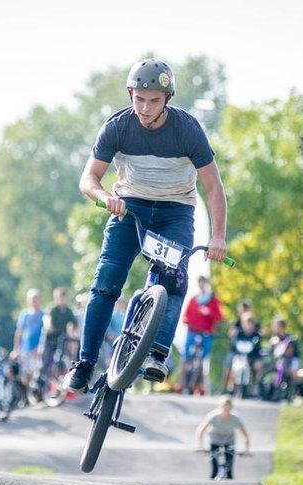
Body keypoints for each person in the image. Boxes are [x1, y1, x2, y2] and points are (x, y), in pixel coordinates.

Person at [64, 57, 228, 393]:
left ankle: (157, 354)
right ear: (130, 93)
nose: (145, 107)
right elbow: (88, 178)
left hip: (174, 212)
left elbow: (213, 187)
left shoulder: (187, 130)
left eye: (154, 101)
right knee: (106, 283)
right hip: (129, 209)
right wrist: (104, 196)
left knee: (173, 279)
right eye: (139, 98)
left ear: (167, 99)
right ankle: (84, 362)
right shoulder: (118, 127)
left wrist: (218, 236)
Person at [179, 275, 224, 394]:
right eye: (199, 283)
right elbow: (186, 315)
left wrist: (209, 313)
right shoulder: (194, 300)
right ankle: (182, 384)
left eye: (203, 283)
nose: (201, 286)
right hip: (193, 332)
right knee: (186, 357)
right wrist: (187, 322)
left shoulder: (213, 300)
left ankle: (200, 386)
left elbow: (219, 317)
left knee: (203, 360)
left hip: (207, 334)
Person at [195, 396, 251, 479]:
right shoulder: (213, 416)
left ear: (231, 408)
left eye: (228, 409)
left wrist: (246, 449)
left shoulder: (236, 418)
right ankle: (213, 479)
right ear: (220, 408)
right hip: (215, 439)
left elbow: (245, 435)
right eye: (224, 408)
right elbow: (200, 431)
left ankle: (229, 481)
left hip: (229, 440)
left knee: (229, 464)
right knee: (214, 463)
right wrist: (200, 446)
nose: (226, 411)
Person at [13, 289, 45, 392]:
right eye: (32, 299)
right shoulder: (25, 315)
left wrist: (40, 347)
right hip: (25, 349)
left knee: (35, 374)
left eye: (36, 299)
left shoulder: (44, 315)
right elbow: (19, 332)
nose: (34, 301)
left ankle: (34, 396)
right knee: (24, 375)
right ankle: (26, 396)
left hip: (37, 350)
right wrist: (16, 349)